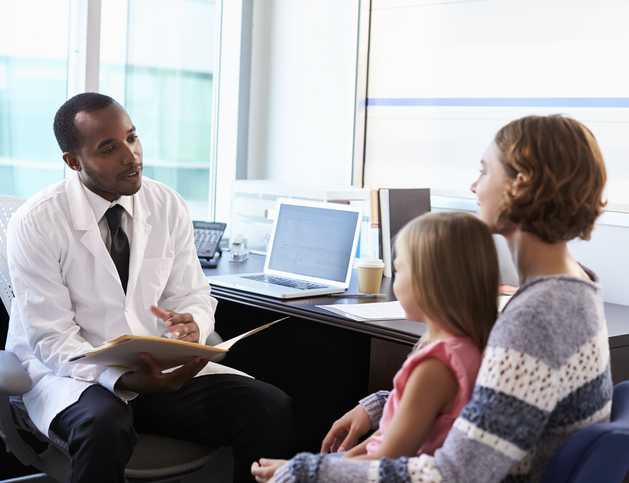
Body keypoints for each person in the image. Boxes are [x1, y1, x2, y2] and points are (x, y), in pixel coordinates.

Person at [252, 114, 612, 483]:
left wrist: (305, 472)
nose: (474, 186)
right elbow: (484, 397)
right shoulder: (574, 288)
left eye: (484, 171)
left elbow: (454, 474)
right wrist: (381, 405)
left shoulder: (537, 318)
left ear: (519, 184)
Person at [5, 92, 292, 483]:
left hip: (159, 372)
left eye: (132, 138)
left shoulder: (167, 204)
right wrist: (121, 379)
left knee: (269, 406)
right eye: (109, 148)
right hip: (73, 377)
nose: (131, 155)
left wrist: (193, 323)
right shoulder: (37, 222)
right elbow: (52, 339)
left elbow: (191, 292)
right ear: (73, 163)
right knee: (103, 424)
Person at [339, 211, 499, 462]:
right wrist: (343, 459)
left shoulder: (435, 368)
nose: (394, 281)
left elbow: (387, 460)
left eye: (398, 269)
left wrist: (310, 469)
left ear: (429, 282)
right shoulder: (470, 347)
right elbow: (390, 432)